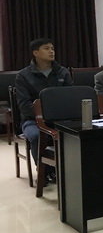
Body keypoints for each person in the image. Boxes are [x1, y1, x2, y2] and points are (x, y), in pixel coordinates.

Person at [15, 38, 73, 179]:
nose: (51, 51)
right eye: (46, 48)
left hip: (60, 118)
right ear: (35, 53)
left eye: (52, 48)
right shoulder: (23, 76)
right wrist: (45, 115)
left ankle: (68, 170)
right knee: (37, 136)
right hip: (32, 120)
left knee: (75, 133)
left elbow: (71, 97)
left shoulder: (63, 72)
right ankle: (44, 172)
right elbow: (24, 105)